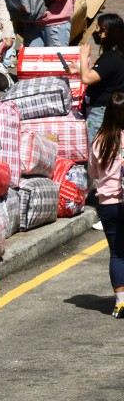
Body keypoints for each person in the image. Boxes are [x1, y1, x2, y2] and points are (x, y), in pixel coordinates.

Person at [90, 92, 124, 317]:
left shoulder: (99, 139)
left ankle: (120, 302)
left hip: (108, 203)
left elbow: (92, 172)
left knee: (117, 253)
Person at [78, 14, 124, 144]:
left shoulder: (111, 58)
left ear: (107, 32)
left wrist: (83, 55)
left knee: (95, 146)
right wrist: (78, 69)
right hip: (107, 107)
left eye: (98, 28)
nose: (95, 32)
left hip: (100, 110)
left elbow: (87, 78)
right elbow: (101, 72)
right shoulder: (116, 53)